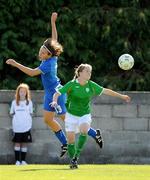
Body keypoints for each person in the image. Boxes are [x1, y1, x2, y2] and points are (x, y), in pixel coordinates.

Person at [6, 12, 68, 157]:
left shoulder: (48, 65)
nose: (40, 52)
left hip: (57, 92)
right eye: (41, 49)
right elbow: (54, 39)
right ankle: (64, 142)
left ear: (48, 55)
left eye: (43, 51)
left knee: (67, 120)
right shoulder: (50, 58)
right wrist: (53, 22)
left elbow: (32, 73)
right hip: (49, 94)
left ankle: (81, 135)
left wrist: (15, 64)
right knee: (48, 119)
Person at [51, 63, 131, 169]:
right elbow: (57, 93)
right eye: (87, 71)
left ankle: (76, 157)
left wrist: (122, 96)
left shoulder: (91, 85)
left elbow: (106, 91)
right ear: (80, 73)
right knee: (70, 141)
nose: (89, 73)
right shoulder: (71, 84)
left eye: (90, 71)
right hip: (71, 115)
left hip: (85, 114)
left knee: (84, 130)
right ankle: (72, 161)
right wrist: (54, 101)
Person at [10, 83, 33, 165]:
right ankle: (17, 161)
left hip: (26, 126)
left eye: (24, 91)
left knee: (24, 143)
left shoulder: (29, 102)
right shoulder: (14, 102)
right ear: (18, 92)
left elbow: (31, 113)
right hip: (17, 127)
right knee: (17, 143)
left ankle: (23, 161)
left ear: (26, 93)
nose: (22, 93)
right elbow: (12, 113)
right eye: (20, 91)